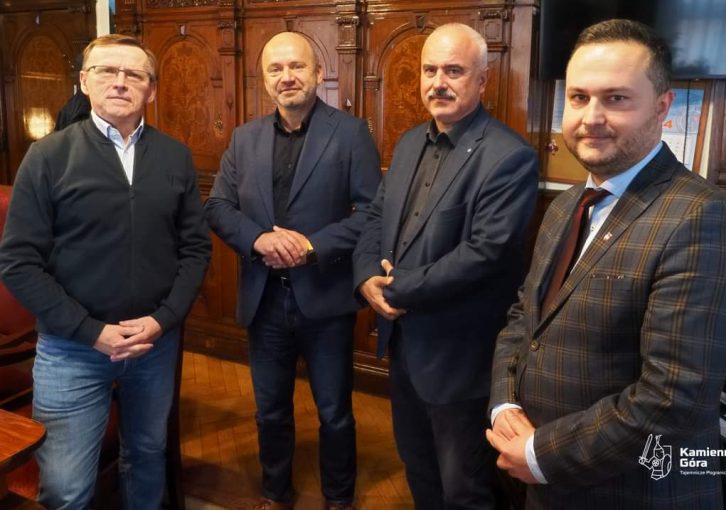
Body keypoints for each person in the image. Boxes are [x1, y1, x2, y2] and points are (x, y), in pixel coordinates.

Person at [486, 19, 726, 509]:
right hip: (546, 481)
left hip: (633, 491)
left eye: (616, 99)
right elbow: (524, 320)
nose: (591, 117)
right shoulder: (566, 206)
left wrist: (542, 454)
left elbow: (673, 397)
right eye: (578, 97)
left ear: (662, 107)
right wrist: (504, 403)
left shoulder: (703, 216)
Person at [0, 34, 211, 509]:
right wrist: (90, 331)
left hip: (153, 345)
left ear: (151, 89)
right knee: (66, 485)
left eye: (134, 74)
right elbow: (18, 262)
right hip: (71, 349)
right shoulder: (48, 156)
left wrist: (163, 319)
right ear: (84, 81)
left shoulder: (175, 156)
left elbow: (196, 250)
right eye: (106, 71)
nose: (120, 82)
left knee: (148, 457)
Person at [353, 23, 539, 509]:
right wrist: (366, 276)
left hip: (460, 358)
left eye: (453, 71)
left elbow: (485, 253)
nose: (438, 82)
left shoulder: (510, 157)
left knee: (463, 488)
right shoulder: (409, 142)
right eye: (429, 70)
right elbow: (375, 216)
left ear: (482, 80)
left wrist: (396, 290)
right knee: (417, 468)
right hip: (404, 348)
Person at [204, 32, 381, 510]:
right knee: (270, 412)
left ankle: (338, 498)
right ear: (264, 80)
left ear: (318, 72)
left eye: (296, 66)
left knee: (335, 413)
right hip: (263, 299)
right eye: (275, 69)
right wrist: (258, 239)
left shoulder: (350, 134)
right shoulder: (244, 138)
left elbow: (372, 212)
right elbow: (217, 206)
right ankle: (275, 494)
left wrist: (311, 246)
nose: (287, 77)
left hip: (325, 298)